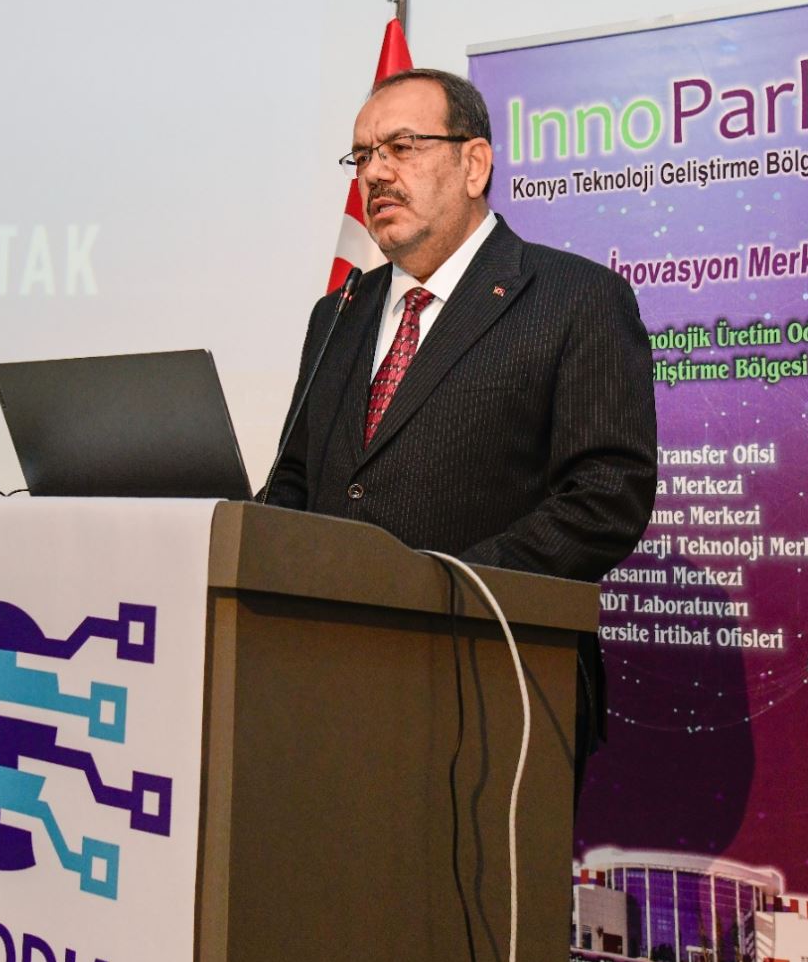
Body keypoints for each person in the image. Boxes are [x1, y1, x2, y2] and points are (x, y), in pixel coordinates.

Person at [262, 68, 657, 776]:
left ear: (474, 164)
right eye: (362, 155)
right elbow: (295, 478)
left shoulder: (575, 297)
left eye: (401, 147)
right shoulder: (338, 313)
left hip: (494, 684)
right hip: (325, 674)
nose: (374, 173)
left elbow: (606, 497)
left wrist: (438, 590)